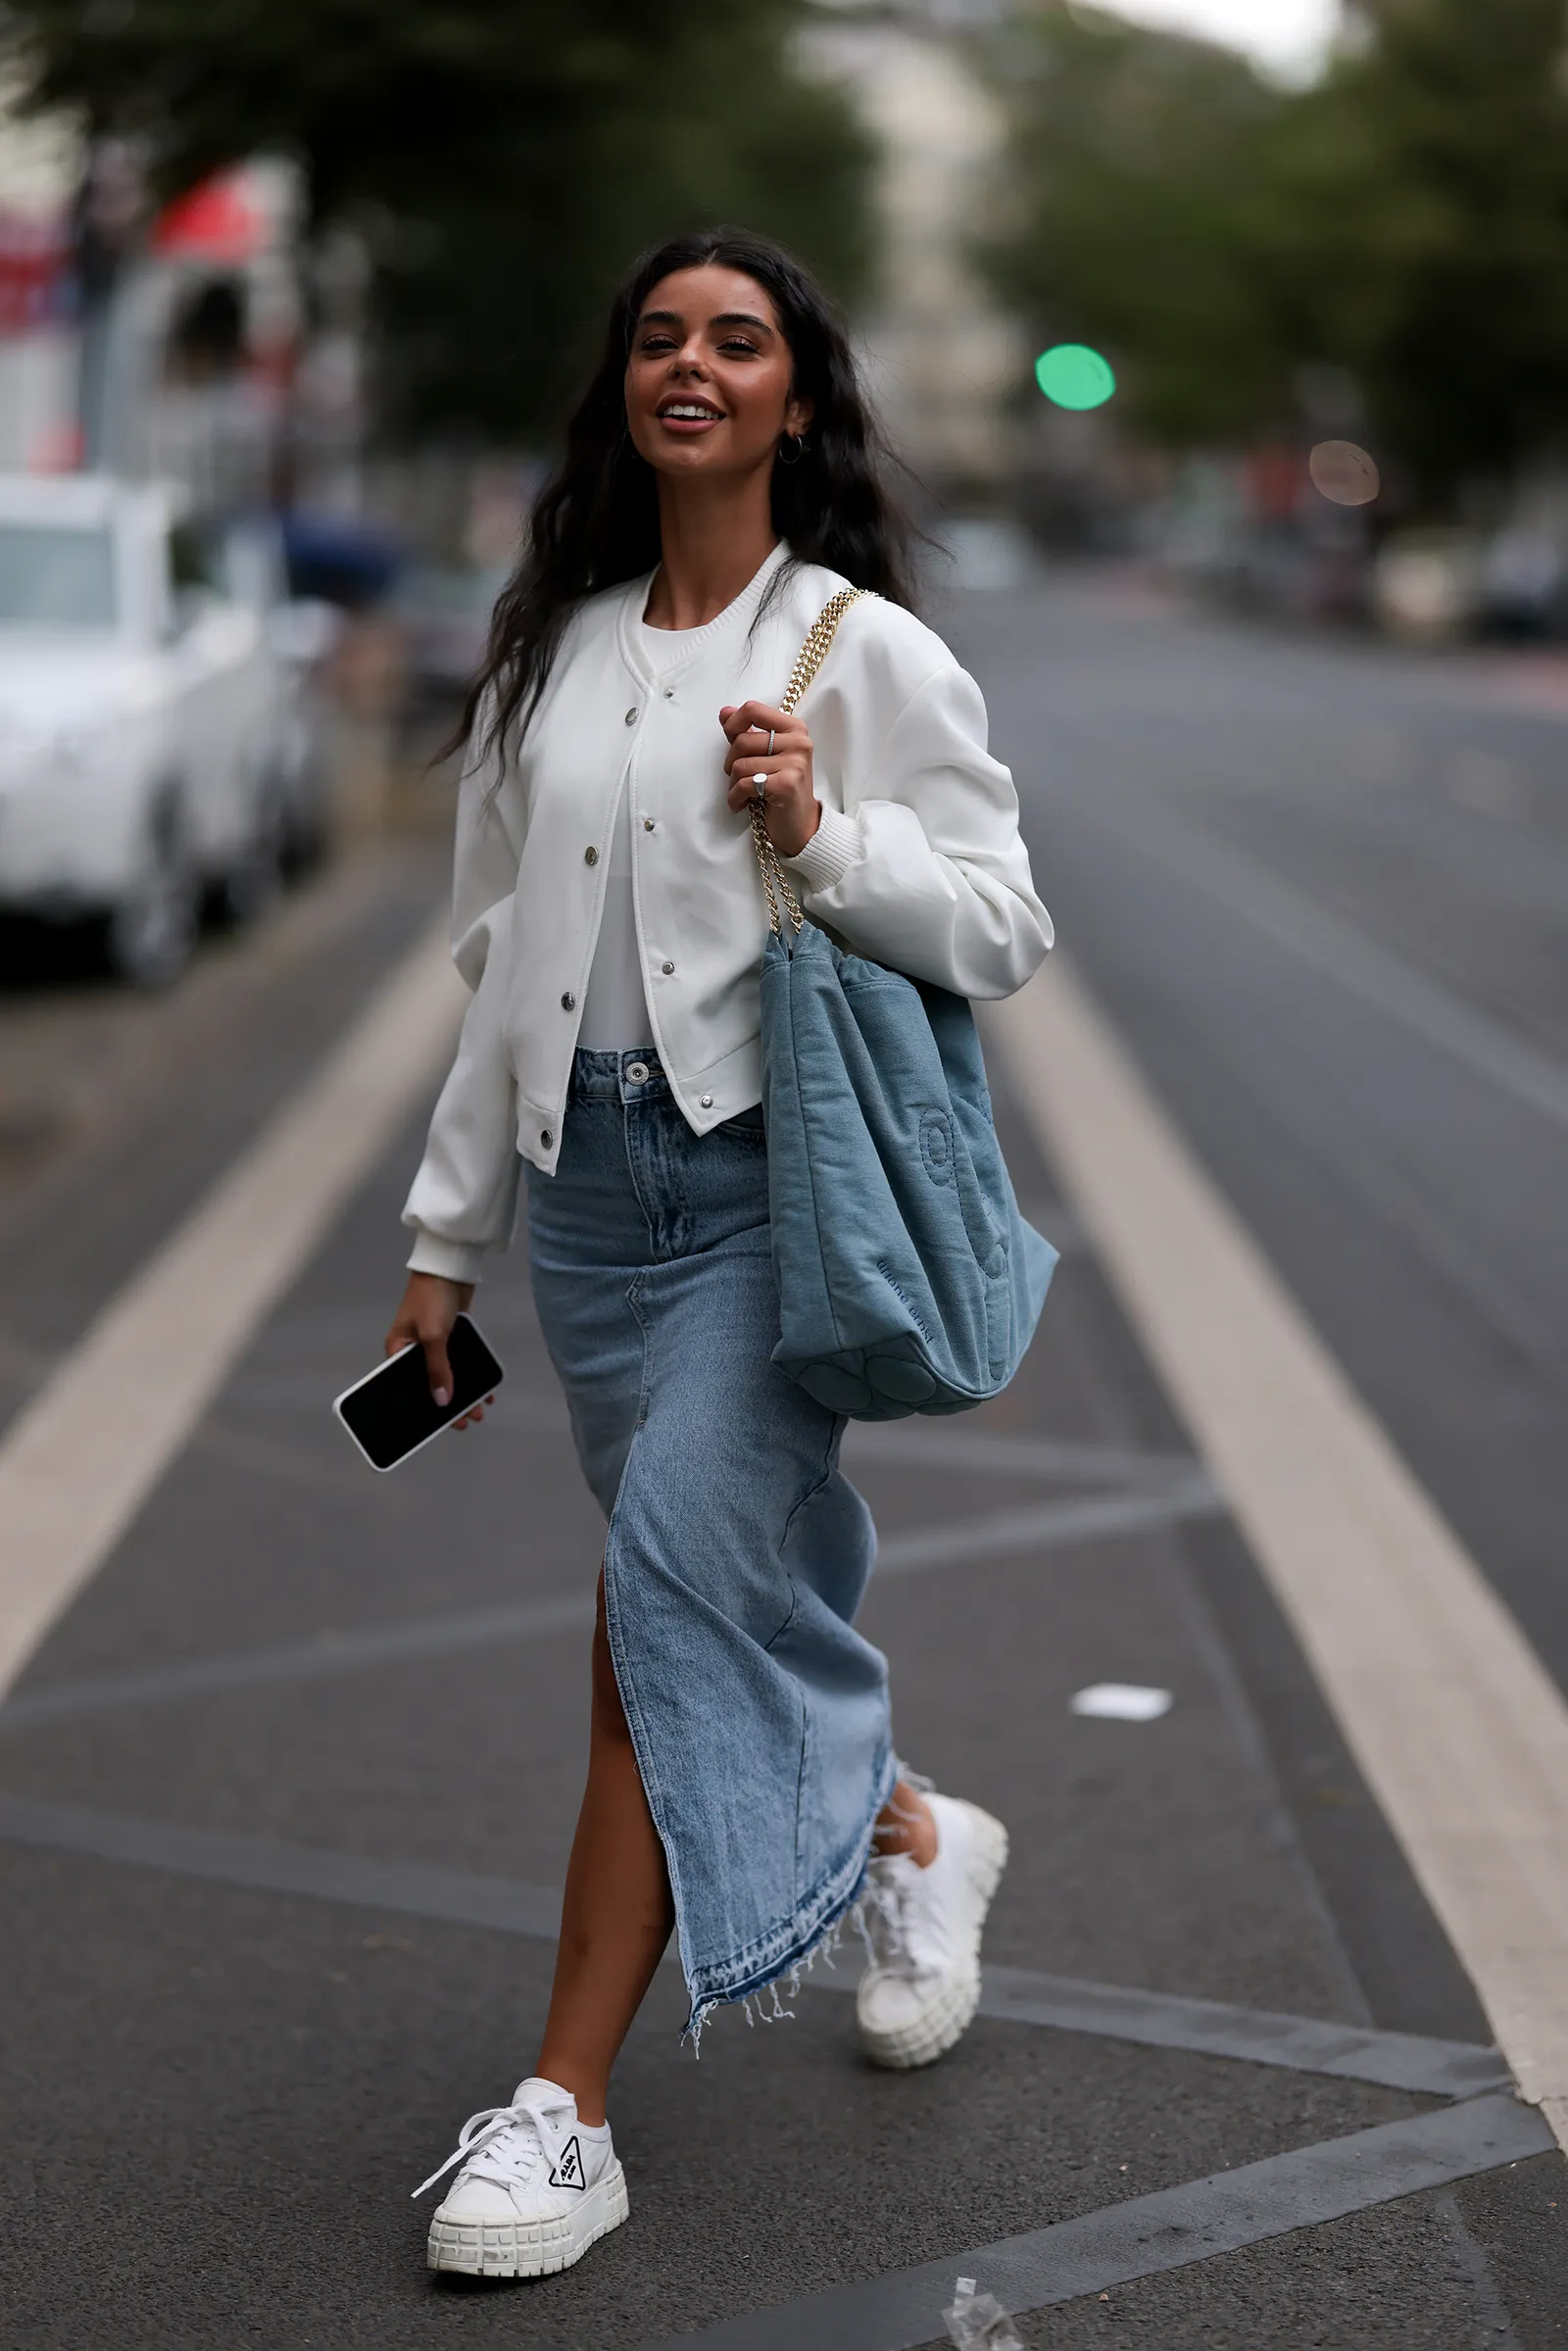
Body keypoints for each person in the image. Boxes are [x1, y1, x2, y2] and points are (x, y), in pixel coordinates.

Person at [387, 227, 1053, 2282]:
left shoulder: (861, 648)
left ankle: (561, 2108)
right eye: (660, 336)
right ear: (625, 391)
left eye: (737, 340)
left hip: (766, 1201)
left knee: (656, 1598)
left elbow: (1001, 921)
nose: (694, 362)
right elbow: (499, 962)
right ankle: (910, 1833)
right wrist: (444, 1240)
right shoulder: (557, 650)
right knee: (698, 1609)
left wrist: (822, 835)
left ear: (793, 396)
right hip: (587, 1212)